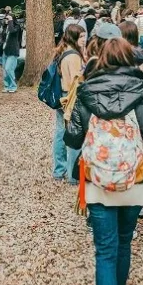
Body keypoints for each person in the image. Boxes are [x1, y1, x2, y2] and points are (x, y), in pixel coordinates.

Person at [64, 37, 143, 285]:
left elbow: (71, 137)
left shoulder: (86, 91)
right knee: (124, 242)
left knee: (104, 249)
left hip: (97, 177)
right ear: (130, 59)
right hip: (134, 177)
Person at [50, 24, 86, 182]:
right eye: (82, 37)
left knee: (60, 132)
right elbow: (76, 82)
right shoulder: (73, 57)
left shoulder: (63, 51)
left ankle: (59, 170)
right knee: (73, 134)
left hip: (62, 95)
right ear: (74, 38)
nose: (85, 40)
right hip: (70, 97)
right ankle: (72, 174)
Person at [2, 11, 23, 93]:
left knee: (9, 69)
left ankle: (13, 86)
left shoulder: (17, 27)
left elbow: (12, 31)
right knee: (5, 71)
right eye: (6, 19)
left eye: (8, 19)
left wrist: (10, 20)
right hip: (5, 50)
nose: (6, 20)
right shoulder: (6, 27)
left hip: (13, 51)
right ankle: (7, 86)